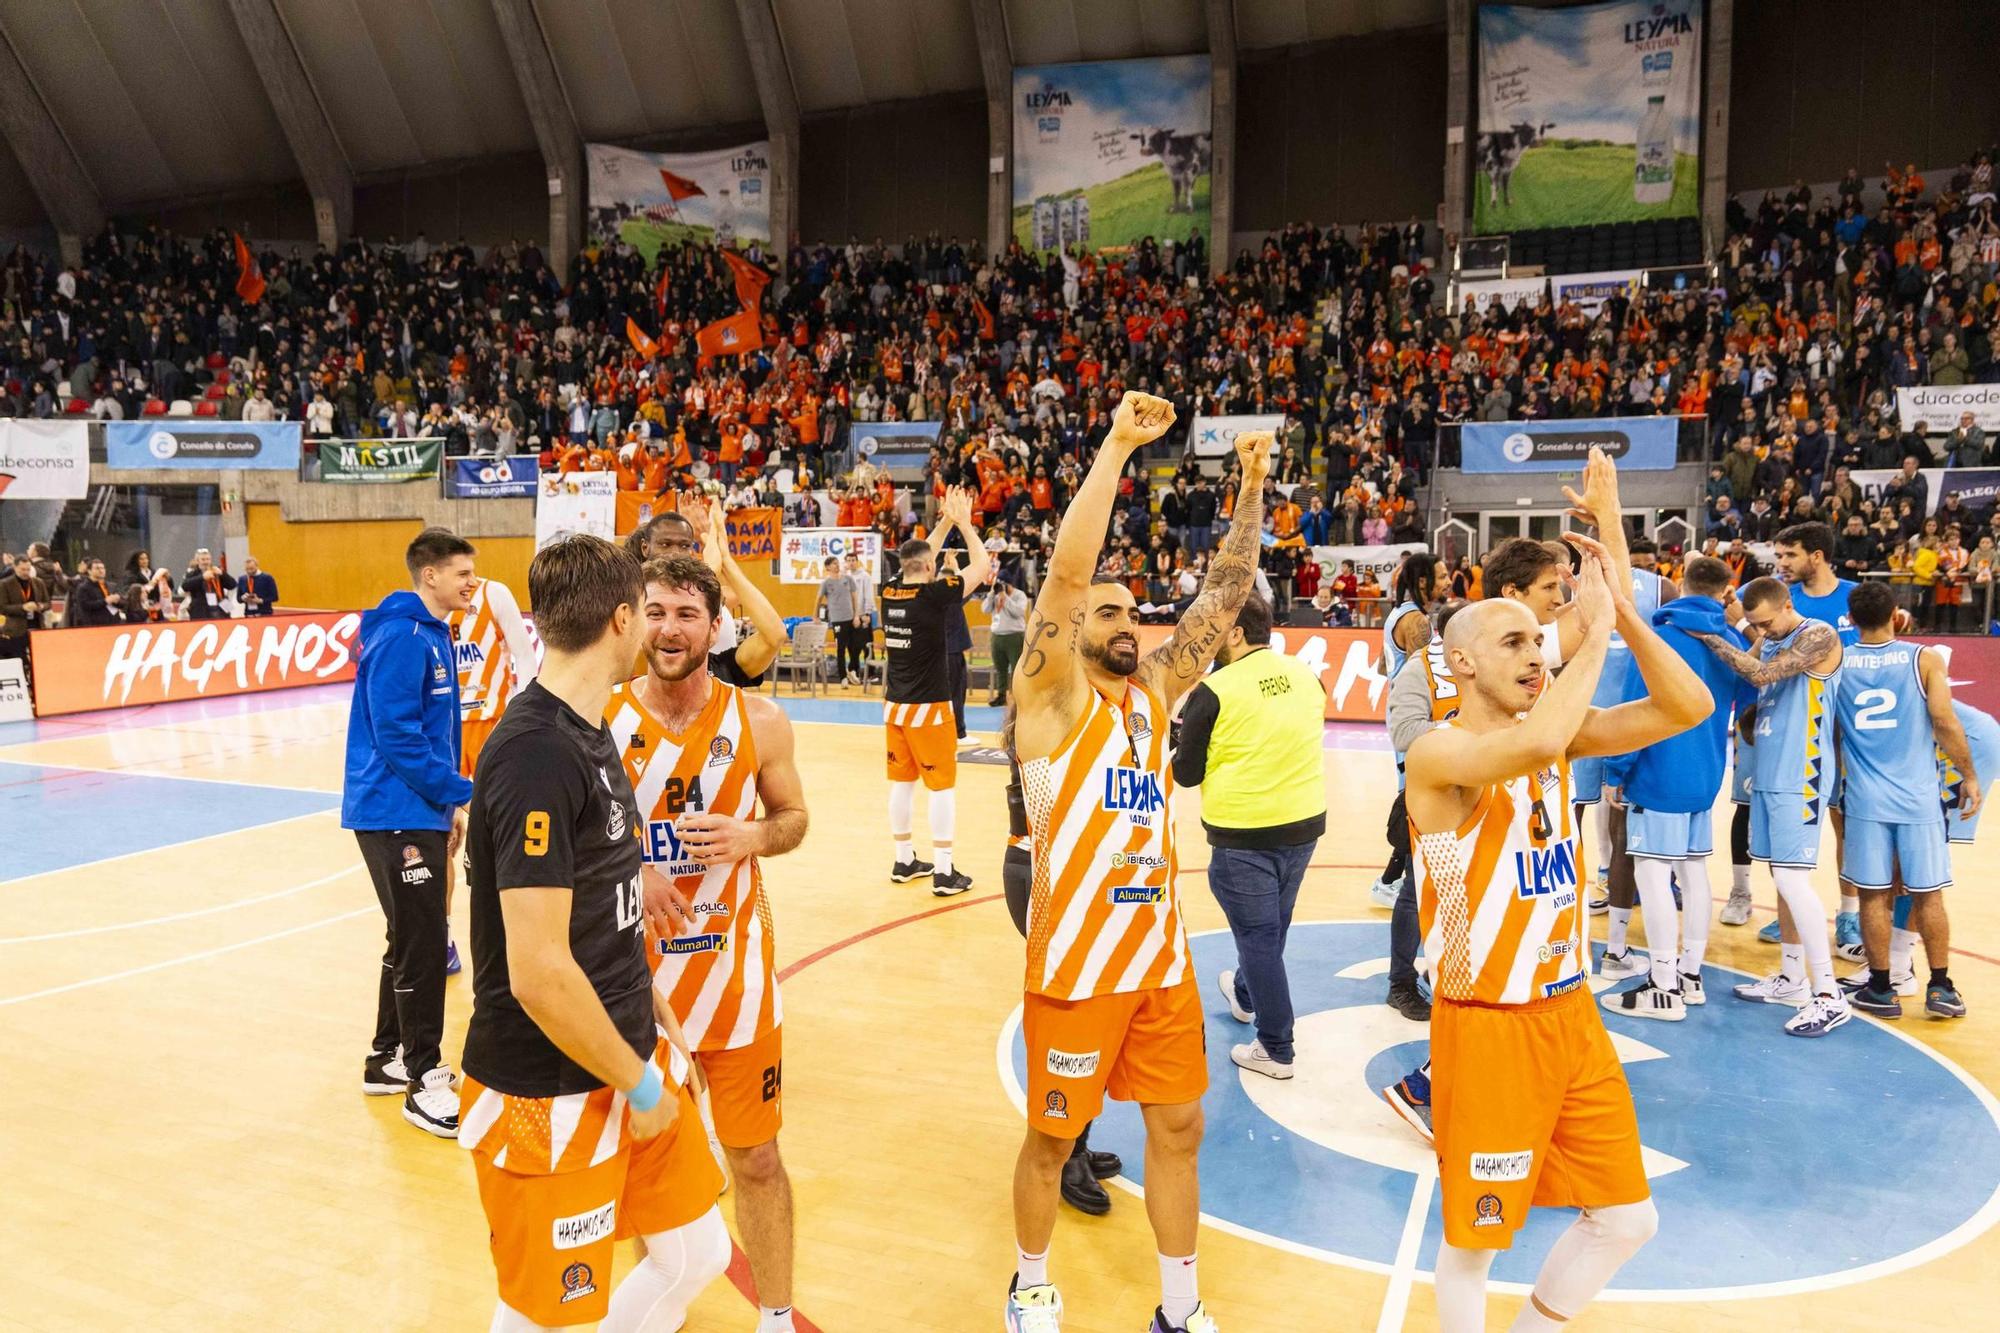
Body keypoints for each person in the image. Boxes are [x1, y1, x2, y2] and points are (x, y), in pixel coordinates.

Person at [1407, 493, 1708, 1332]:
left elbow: (1688, 708)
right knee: (1475, 1244)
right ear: (1461, 664)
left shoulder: (1558, 732)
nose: (1537, 654)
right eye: (1515, 642)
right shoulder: (1441, 754)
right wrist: (1599, 624)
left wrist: (1627, 618)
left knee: (1627, 1218)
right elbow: (1533, 743)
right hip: (1487, 1021)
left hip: (1571, 1012)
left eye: (1541, 641)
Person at [1005, 393, 1269, 1333]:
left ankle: (1182, 1304)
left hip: (1157, 960)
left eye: (1131, 610)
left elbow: (1224, 595)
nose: (1125, 620)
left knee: (1180, 1129)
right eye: (1107, 610)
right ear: (1072, 628)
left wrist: (1250, 485)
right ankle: (1031, 1282)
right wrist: (1118, 445)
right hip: (1077, 966)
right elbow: (1069, 570)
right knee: (1049, 1137)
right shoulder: (1047, 697)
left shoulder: (1154, 691)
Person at [458, 534, 728, 1331]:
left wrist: (652, 1021)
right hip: (550, 1084)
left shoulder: (590, 724)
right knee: (546, 1313)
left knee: (696, 1253)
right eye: (648, 611)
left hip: (627, 1049)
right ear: (622, 620)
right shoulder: (535, 752)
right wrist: (641, 1083)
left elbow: (601, 905)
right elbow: (537, 971)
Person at [609, 555, 810, 1333]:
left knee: (757, 1161)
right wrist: (633, 863)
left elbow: (794, 818)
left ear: (714, 623)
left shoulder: (759, 721)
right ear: (635, 617)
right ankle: (661, 1310)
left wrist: (751, 833)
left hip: (736, 989)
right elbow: (570, 834)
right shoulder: (602, 719)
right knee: (649, 1169)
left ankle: (776, 1314)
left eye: (687, 614)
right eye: (656, 611)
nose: (669, 628)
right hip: (636, 993)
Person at [342, 528, 479, 1136]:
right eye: (462, 575)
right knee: (423, 941)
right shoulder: (402, 637)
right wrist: (461, 792)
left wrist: (444, 802)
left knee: (410, 935)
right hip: (393, 810)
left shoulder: (434, 633)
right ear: (430, 577)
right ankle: (424, 1078)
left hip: (416, 808)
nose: (471, 584)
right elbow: (397, 736)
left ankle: (387, 1057)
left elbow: (433, 731)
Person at [1174, 593, 1327, 1079]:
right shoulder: (1307, 676)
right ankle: (1244, 993)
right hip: (1304, 825)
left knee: (1259, 936)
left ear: (1235, 634)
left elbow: (1186, 775)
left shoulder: (1214, 690)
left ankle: (1276, 1047)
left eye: (1216, 630)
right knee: (1273, 924)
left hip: (1244, 834)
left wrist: (1177, 740)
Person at [1691, 576, 1852, 1035]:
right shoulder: (1770, 638)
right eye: (1757, 625)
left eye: (1768, 623)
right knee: (1781, 878)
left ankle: (1828, 994)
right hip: (1770, 770)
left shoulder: (1820, 634)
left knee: (1792, 878)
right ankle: (1792, 976)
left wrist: (1713, 637)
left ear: (1786, 605)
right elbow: (1766, 690)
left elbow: (1761, 674)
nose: (1765, 632)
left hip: (1801, 774)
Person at [1600, 556, 1755, 1020]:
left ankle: (1662, 986)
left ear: (1680, 585)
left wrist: (1616, 769)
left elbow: (1631, 708)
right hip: (1706, 773)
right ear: (1726, 592)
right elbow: (1748, 699)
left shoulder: (1658, 639)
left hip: (1659, 773)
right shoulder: (1728, 641)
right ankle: (1689, 974)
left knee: (1651, 872)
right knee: (1692, 872)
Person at [1000, 704, 1124, 1220]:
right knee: (1074, 1018)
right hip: (1041, 872)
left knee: (1091, 1011)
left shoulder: (1092, 711)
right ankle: (1064, 1148)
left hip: (1072, 874)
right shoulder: (1047, 715)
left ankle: (1074, 1137)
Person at [1833, 581, 1978, 1021]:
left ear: (1851, 619)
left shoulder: (1838, 663)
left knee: (1873, 896)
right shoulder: (1924, 658)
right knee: (1928, 896)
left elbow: (1829, 734)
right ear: (1897, 614)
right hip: (1918, 799)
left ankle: (1880, 987)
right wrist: (1969, 775)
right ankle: (1941, 985)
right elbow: (1944, 720)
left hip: (1864, 800)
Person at [879, 486, 987, 895]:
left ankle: (904, 860)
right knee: (941, 788)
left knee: (901, 785)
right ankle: (944, 870)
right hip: (929, 708)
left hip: (895, 708)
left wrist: (943, 522)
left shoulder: (889, 590)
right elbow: (980, 565)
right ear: (929, 568)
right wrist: (964, 523)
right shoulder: (934, 595)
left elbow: (923, 553)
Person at [1765, 521, 1863, 960]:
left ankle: (1850, 912)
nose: (1781, 564)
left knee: (1846, 828)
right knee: (1789, 826)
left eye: (1790, 556)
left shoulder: (1855, 597)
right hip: (1802, 733)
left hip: (1853, 732)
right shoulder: (1785, 601)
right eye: (1779, 557)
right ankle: (1790, 908)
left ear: (1817, 556)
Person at [1371, 550, 1445, 908]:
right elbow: (1429, 671)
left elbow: (1382, 666)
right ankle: (1391, 881)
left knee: (1413, 792)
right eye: (1442, 576)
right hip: (1411, 714)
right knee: (1413, 796)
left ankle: (1393, 877)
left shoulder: (1398, 615)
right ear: (1422, 582)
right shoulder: (1415, 621)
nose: (1447, 581)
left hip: (1402, 707)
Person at [815, 555, 864, 684]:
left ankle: (852, 670)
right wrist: (815, 616)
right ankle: (843, 677)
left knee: (856, 646)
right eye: (834, 564)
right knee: (841, 648)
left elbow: (854, 598)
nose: (837, 565)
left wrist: (856, 615)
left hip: (851, 618)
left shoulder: (848, 579)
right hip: (837, 620)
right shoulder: (826, 583)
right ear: (827, 567)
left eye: (837, 563)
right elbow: (818, 600)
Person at [985, 572, 1030, 706]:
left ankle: (1019, 697)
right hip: (997, 636)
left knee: (1017, 669)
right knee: (1001, 669)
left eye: (1003, 584)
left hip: (1014, 636)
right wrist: (991, 594)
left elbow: (1018, 612)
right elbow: (985, 609)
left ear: (1009, 584)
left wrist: (1006, 598)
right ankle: (1001, 695)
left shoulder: (1019, 595)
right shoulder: (995, 595)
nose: (1001, 587)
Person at [1, 554, 49, 663]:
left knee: (39, 660)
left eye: (28, 569)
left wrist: (41, 606)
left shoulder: (38, 582)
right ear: (15, 567)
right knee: (19, 660)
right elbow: (2, 608)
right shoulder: (5, 584)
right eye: (23, 569)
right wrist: (23, 608)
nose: (26, 572)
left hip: (37, 626)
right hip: (16, 630)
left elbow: (47, 603)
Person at [65, 558, 126, 626]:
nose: (101, 570)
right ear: (89, 571)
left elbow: (123, 603)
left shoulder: (111, 586)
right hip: (94, 625)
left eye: (102, 568)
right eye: (97, 568)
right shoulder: (83, 588)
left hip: (114, 623)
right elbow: (85, 606)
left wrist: (118, 601)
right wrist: (105, 601)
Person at [181, 548, 236, 620]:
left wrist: (223, 574)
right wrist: (202, 577)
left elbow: (232, 585)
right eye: (203, 559)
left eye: (208, 559)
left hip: (220, 610)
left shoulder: (216, 572)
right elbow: (185, 586)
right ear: (198, 561)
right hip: (201, 613)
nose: (206, 562)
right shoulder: (192, 574)